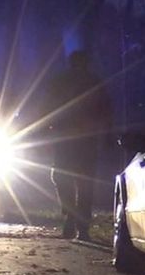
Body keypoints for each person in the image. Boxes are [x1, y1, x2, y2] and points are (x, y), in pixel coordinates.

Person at [41, 50, 113, 241]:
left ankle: (71, 216)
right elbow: (106, 111)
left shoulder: (60, 81)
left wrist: (44, 131)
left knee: (61, 177)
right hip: (85, 139)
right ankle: (81, 224)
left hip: (65, 139)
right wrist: (107, 135)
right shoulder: (94, 82)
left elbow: (46, 108)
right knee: (84, 182)